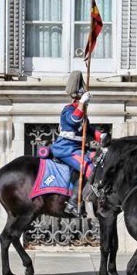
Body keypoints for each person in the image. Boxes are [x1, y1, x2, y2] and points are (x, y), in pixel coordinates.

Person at [51, 71, 109, 216]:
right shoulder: (68, 110)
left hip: (78, 148)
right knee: (90, 170)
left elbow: (88, 130)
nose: (83, 105)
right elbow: (73, 121)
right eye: (81, 101)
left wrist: (101, 136)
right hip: (66, 149)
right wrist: (82, 103)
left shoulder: (82, 114)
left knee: (100, 162)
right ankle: (73, 204)